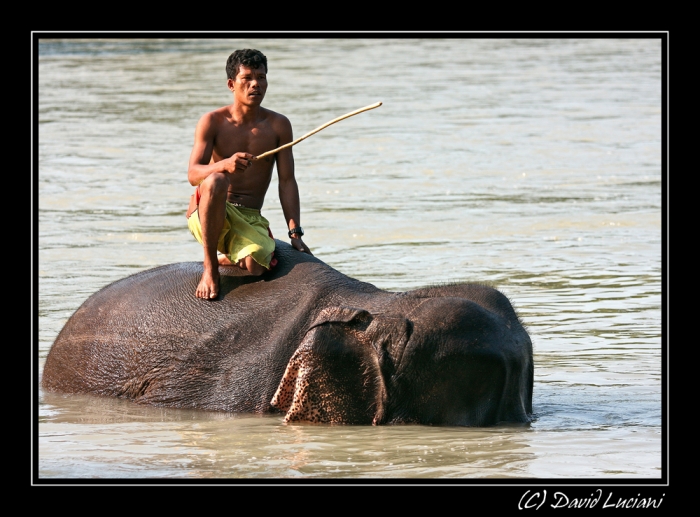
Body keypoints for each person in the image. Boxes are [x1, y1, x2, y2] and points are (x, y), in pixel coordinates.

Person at [186, 48, 312, 299]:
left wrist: (295, 232)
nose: (256, 84)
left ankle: (232, 254)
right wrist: (223, 164)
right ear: (232, 84)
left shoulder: (279, 125)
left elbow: (287, 181)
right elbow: (193, 174)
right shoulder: (212, 121)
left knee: (257, 267)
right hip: (210, 209)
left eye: (261, 77)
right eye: (248, 78)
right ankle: (210, 267)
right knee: (217, 180)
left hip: (250, 216)